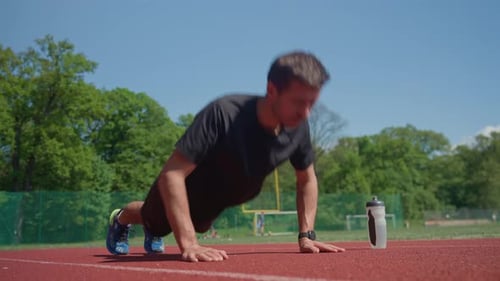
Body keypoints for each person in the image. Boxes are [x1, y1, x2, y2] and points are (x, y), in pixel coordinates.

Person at [106, 51, 346, 262]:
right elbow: (172, 174)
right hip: (184, 189)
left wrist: (307, 236)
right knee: (155, 222)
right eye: (297, 102)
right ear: (272, 90)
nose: (305, 113)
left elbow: (307, 179)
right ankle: (121, 218)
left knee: (200, 226)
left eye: (311, 104)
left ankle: (162, 228)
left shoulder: (298, 126)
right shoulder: (224, 114)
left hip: (214, 201)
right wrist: (188, 243)